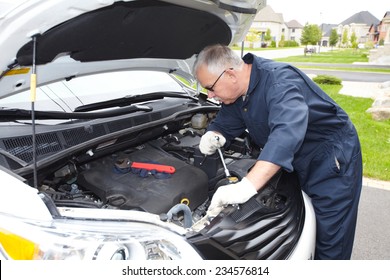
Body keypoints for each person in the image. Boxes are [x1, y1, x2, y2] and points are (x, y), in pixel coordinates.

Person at [193, 44, 362, 260]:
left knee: (330, 235)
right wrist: (215, 133)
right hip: (297, 157)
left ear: (230, 74)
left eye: (211, 88)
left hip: (329, 157)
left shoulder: (279, 81)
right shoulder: (238, 92)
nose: (211, 95)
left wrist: (247, 186)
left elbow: (286, 133)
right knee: (304, 219)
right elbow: (228, 119)